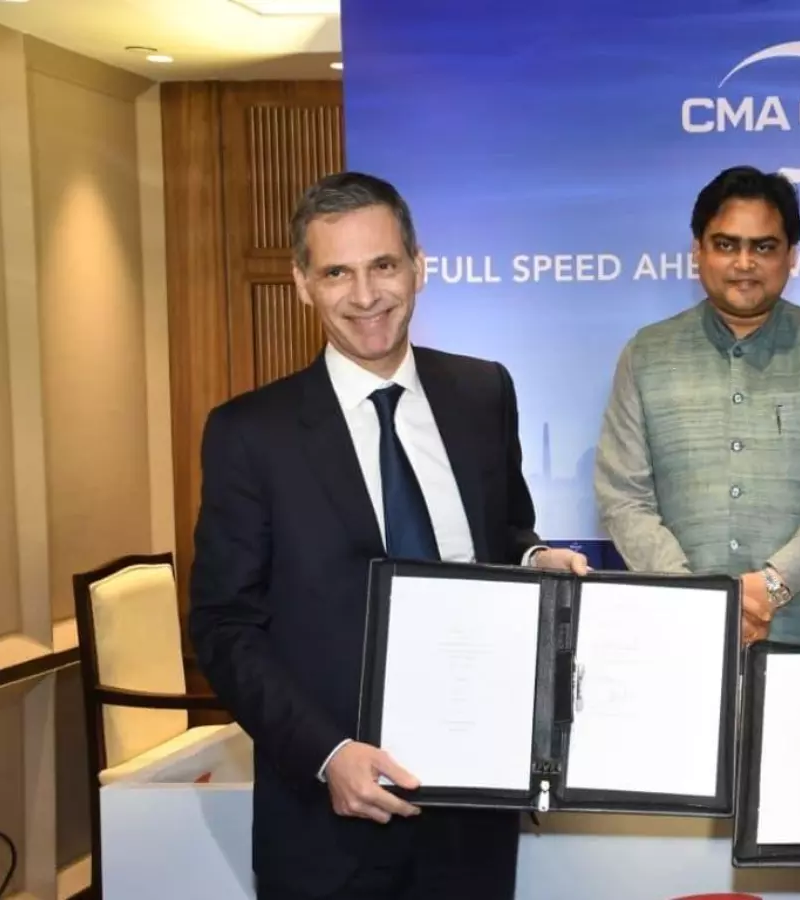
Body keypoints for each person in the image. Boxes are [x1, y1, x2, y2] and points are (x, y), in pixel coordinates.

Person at [188, 171, 588, 900]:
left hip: (472, 812)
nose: (365, 294)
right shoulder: (249, 433)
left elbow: (504, 529)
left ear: (418, 267)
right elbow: (224, 625)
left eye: (383, 265)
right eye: (336, 272)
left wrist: (536, 558)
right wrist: (326, 754)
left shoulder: (483, 392)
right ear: (302, 283)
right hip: (325, 822)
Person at [593, 164, 800, 644]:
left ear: (791, 256)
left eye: (764, 247)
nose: (744, 262)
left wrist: (773, 585)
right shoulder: (646, 354)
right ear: (698, 251)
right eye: (726, 244)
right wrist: (700, 599)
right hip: (682, 639)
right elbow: (623, 495)